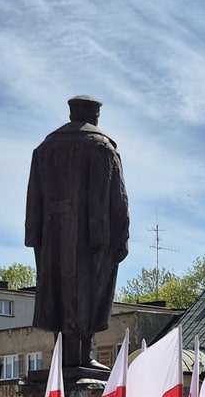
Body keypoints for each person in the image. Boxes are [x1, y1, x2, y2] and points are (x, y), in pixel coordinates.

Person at [24, 95, 130, 375]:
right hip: (94, 238)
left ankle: (63, 355)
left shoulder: (46, 148)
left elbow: (33, 196)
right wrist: (122, 237)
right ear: (94, 116)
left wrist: (34, 235)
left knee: (56, 293)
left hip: (51, 235)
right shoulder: (103, 147)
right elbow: (117, 199)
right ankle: (81, 355)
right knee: (89, 294)